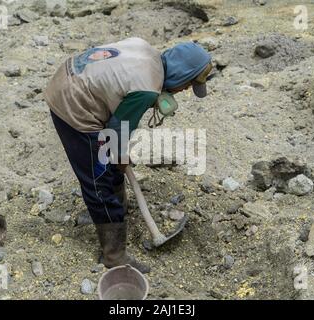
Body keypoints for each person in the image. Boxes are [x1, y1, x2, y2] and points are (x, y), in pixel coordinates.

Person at [44, 37, 212, 274]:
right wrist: (119, 154)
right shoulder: (145, 87)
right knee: (98, 177)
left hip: (71, 75)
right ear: (182, 73)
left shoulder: (146, 49)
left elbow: (118, 120)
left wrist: (118, 152)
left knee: (112, 159)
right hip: (73, 101)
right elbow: (115, 130)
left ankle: (116, 212)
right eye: (187, 84)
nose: (184, 90)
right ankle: (114, 254)